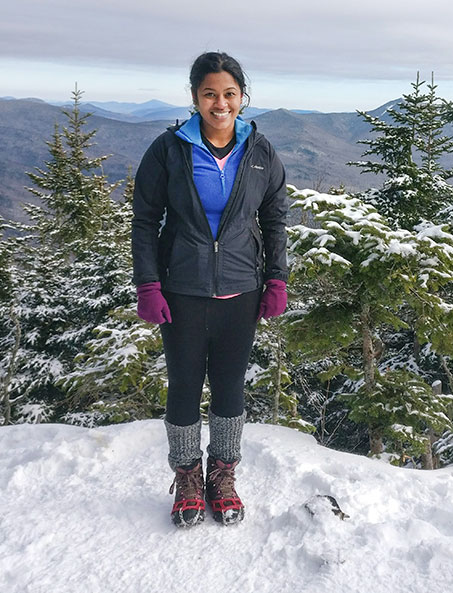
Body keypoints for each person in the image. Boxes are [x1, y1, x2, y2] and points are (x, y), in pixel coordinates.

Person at [131, 52, 288, 528]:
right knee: (182, 386)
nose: (220, 103)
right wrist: (148, 284)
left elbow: (275, 217)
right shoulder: (169, 150)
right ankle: (186, 478)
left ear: (242, 97)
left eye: (229, 94)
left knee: (229, 387)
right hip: (181, 289)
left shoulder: (260, 151)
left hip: (241, 290)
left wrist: (277, 276)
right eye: (210, 94)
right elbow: (144, 219)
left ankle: (222, 474)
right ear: (196, 97)